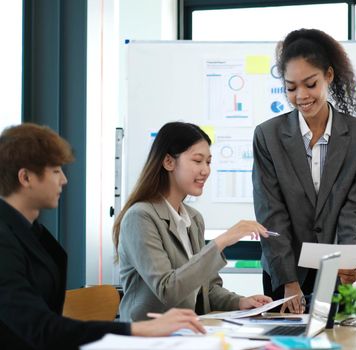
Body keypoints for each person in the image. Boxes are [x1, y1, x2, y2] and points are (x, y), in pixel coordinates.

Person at [0, 123, 206, 350]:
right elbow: (40, 328)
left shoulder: (32, 234)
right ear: (26, 178)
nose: (64, 180)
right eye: (56, 170)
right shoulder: (5, 240)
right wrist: (137, 329)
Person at [252, 28, 356, 314]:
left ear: (329, 76)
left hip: (337, 271)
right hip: (283, 273)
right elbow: (271, 211)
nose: (301, 96)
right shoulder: (268, 136)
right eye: (291, 87)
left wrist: (349, 259)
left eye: (310, 84)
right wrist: (288, 280)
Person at [114, 122, 272, 321]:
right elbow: (168, 290)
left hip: (189, 332)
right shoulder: (140, 217)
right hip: (150, 337)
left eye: (208, 162)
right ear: (169, 162)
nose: (206, 170)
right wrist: (222, 241)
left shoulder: (194, 219)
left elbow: (207, 289)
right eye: (198, 161)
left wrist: (240, 302)